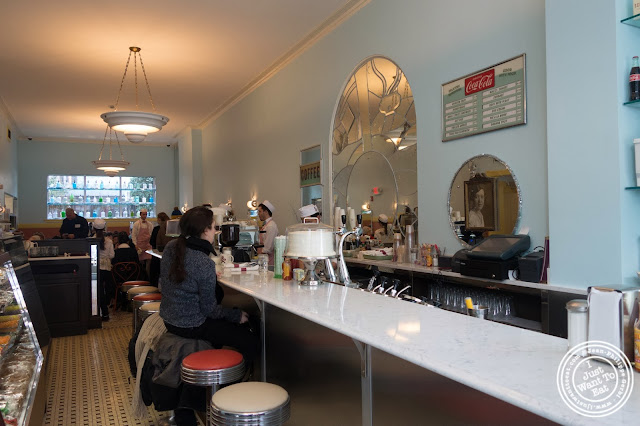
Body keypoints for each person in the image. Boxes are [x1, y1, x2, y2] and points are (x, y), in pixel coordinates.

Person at [159, 206, 258, 375]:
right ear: (205, 231)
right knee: (249, 340)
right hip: (191, 324)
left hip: (170, 319)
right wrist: (237, 315)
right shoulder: (203, 262)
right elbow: (209, 310)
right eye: (214, 228)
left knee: (223, 330)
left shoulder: (171, 247)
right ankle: (230, 384)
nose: (215, 233)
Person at [93, 218, 114, 321]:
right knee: (108, 288)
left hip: (96, 267)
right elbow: (112, 255)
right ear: (104, 228)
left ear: (93, 228)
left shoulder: (92, 239)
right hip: (107, 267)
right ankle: (106, 307)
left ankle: (102, 312)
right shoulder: (109, 241)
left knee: (99, 290)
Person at [149, 212, 170, 286]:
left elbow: (152, 242)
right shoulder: (172, 228)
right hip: (171, 255)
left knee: (155, 273)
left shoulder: (157, 229)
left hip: (158, 254)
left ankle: (154, 288)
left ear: (159, 219)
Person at [132, 208, 153, 277]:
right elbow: (134, 235)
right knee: (140, 263)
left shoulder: (149, 224)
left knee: (149, 261)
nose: (145, 216)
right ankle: (141, 276)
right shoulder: (136, 224)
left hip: (147, 245)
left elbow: (151, 234)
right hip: (140, 245)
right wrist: (135, 245)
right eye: (143, 214)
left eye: (146, 214)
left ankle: (148, 276)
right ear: (140, 215)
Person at [257, 200, 278, 266]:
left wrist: (259, 251)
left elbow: (268, 248)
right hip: (264, 260)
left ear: (265, 212)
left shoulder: (271, 226)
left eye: (260, 211)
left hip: (269, 262)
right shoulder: (266, 225)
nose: (258, 214)